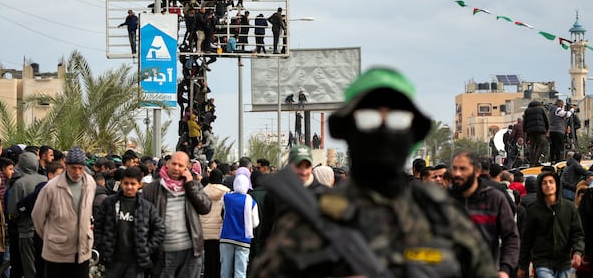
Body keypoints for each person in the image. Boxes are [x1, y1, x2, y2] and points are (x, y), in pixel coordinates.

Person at [250, 67, 497, 277]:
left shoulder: (441, 215)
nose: (383, 130)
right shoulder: (312, 220)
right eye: (367, 118)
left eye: (398, 120)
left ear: (413, 133)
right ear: (348, 129)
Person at [141, 151, 211, 278]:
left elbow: (205, 208)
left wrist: (190, 186)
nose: (176, 168)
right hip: (162, 254)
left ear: (187, 168)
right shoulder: (151, 189)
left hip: (191, 252)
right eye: (174, 164)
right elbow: (143, 222)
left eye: (180, 165)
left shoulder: (194, 186)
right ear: (167, 163)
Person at [451, 151, 520, 277]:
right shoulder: (443, 200)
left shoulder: (494, 198)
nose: (457, 174)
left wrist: (505, 269)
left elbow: (511, 237)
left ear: (477, 171)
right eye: (454, 169)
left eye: (463, 169)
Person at [32, 147, 96, 278]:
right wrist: (51, 236)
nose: (77, 172)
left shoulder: (90, 183)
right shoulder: (51, 187)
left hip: (82, 252)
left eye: (80, 168)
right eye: (73, 168)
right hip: (57, 253)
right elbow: (37, 216)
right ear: (65, 165)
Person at [94, 167, 165, 278]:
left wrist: (147, 249)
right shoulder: (109, 202)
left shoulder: (147, 207)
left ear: (140, 185)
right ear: (121, 183)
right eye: (126, 183)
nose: (129, 187)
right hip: (112, 260)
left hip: (135, 262)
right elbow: (98, 225)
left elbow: (160, 229)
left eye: (133, 184)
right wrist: (101, 245)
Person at [517, 171, 584, 278]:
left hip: (564, 261)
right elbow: (527, 239)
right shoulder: (533, 209)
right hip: (542, 261)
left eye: (551, 182)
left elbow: (577, 233)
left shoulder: (569, 207)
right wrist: (522, 265)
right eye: (544, 183)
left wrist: (578, 252)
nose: (548, 185)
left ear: (557, 184)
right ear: (540, 186)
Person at [8, 152, 48, 278]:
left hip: (26, 232)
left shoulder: (20, 184)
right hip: (46, 232)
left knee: (30, 269)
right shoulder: (46, 180)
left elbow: (12, 211)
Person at [220, 174, 259, 278]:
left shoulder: (226, 197)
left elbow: (223, 209)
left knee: (225, 269)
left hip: (226, 237)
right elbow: (255, 223)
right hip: (243, 239)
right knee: (240, 271)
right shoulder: (251, 202)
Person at [199, 169, 229, 278]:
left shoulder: (202, 192)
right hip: (220, 229)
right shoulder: (226, 192)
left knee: (208, 258)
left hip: (205, 230)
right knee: (219, 258)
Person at [522, 100, 550, 165]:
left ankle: (532, 162)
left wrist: (524, 130)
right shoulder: (541, 109)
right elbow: (546, 119)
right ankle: (536, 160)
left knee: (532, 145)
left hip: (530, 131)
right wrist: (547, 128)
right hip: (540, 130)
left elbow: (524, 121)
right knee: (542, 144)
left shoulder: (527, 110)